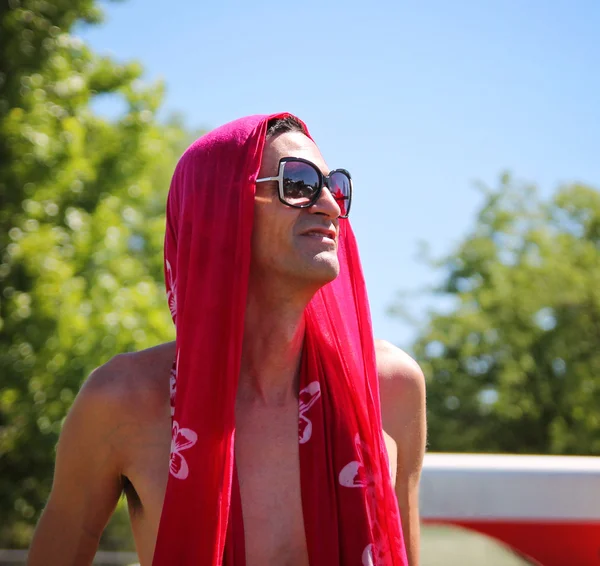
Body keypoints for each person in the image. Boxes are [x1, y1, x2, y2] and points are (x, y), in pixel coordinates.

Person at [27, 113, 427, 566]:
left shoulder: (391, 387)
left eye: (336, 186)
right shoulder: (121, 400)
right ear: (219, 209)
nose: (330, 206)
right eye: (297, 183)